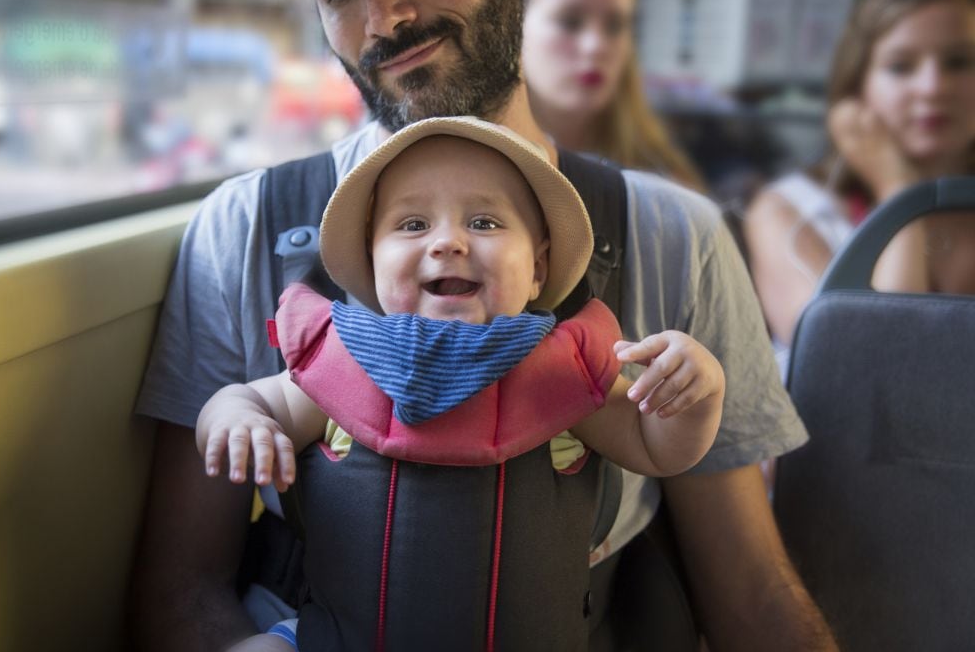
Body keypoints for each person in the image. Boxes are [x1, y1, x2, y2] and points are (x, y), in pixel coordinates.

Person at [128, 0, 836, 651]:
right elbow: (180, 591)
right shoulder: (246, 226)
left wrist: (693, 395)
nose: (383, 17)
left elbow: (750, 592)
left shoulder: (676, 237)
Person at [194, 115, 724, 650]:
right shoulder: (342, 362)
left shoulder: (562, 376)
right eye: (413, 225)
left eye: (485, 224)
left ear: (538, 268)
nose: (447, 242)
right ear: (371, 262)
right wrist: (238, 417)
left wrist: (693, 399)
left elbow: (657, 450)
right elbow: (253, 398)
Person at [744, 0, 975, 376]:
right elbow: (864, 372)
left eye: (959, 62)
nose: (932, 86)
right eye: (901, 66)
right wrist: (899, 188)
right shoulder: (786, 212)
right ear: (857, 88)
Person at [521, 0, 705, 192]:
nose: (596, 45)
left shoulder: (664, 185)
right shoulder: (471, 165)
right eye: (570, 21)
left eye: (615, 25)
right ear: (516, 24)